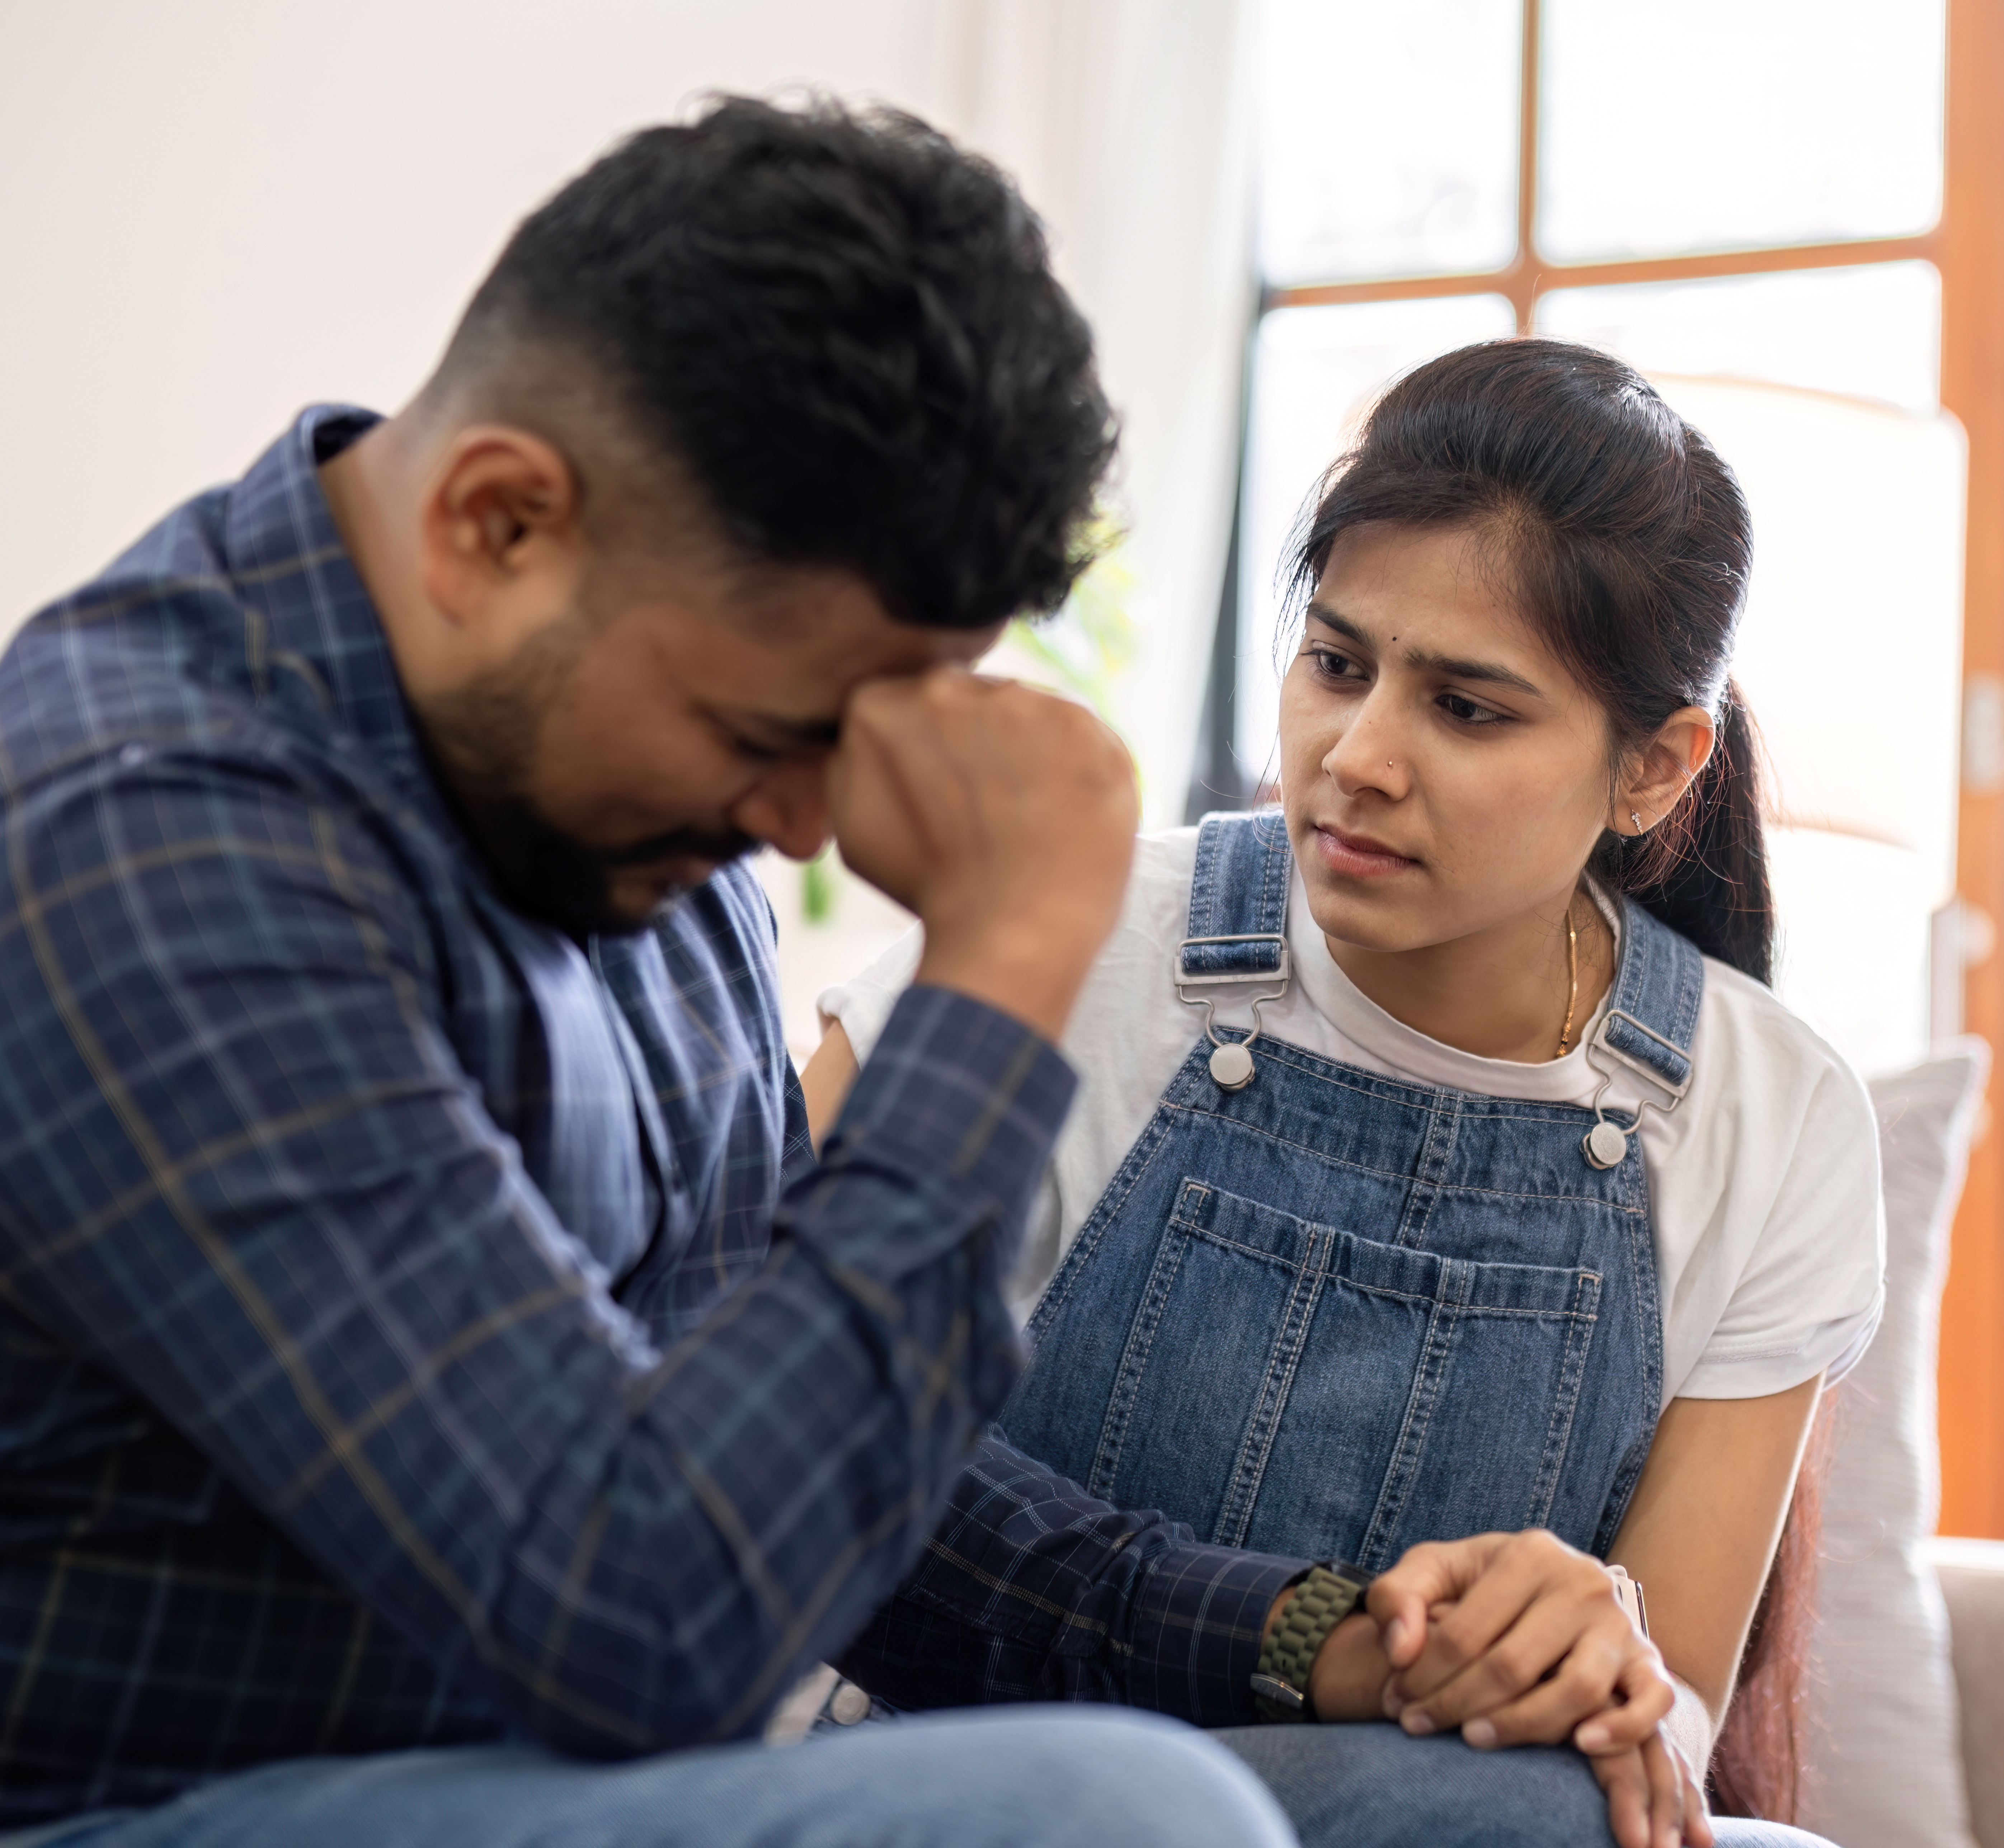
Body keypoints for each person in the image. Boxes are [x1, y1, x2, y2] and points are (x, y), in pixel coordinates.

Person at [0, 101, 1670, 1848]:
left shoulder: (638, 817)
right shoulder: (145, 836)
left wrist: (1326, 1638)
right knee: (1125, 1820)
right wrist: (1007, 963)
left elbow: (813, 1486)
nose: (809, 822)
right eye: (768, 730)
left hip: (541, 1778)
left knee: (1512, 1821)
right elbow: (651, 1614)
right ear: (498, 523)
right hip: (159, 1806)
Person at [807, 340, 1887, 1847]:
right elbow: (775, 1435)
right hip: (982, 1779)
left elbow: (1665, 1727)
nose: (1356, 757)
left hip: (1442, 1799)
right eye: (1336, 663)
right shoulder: (1079, 932)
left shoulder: (1775, 1120)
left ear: (1653, 769)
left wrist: (1594, 1638)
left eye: (1469, 709)